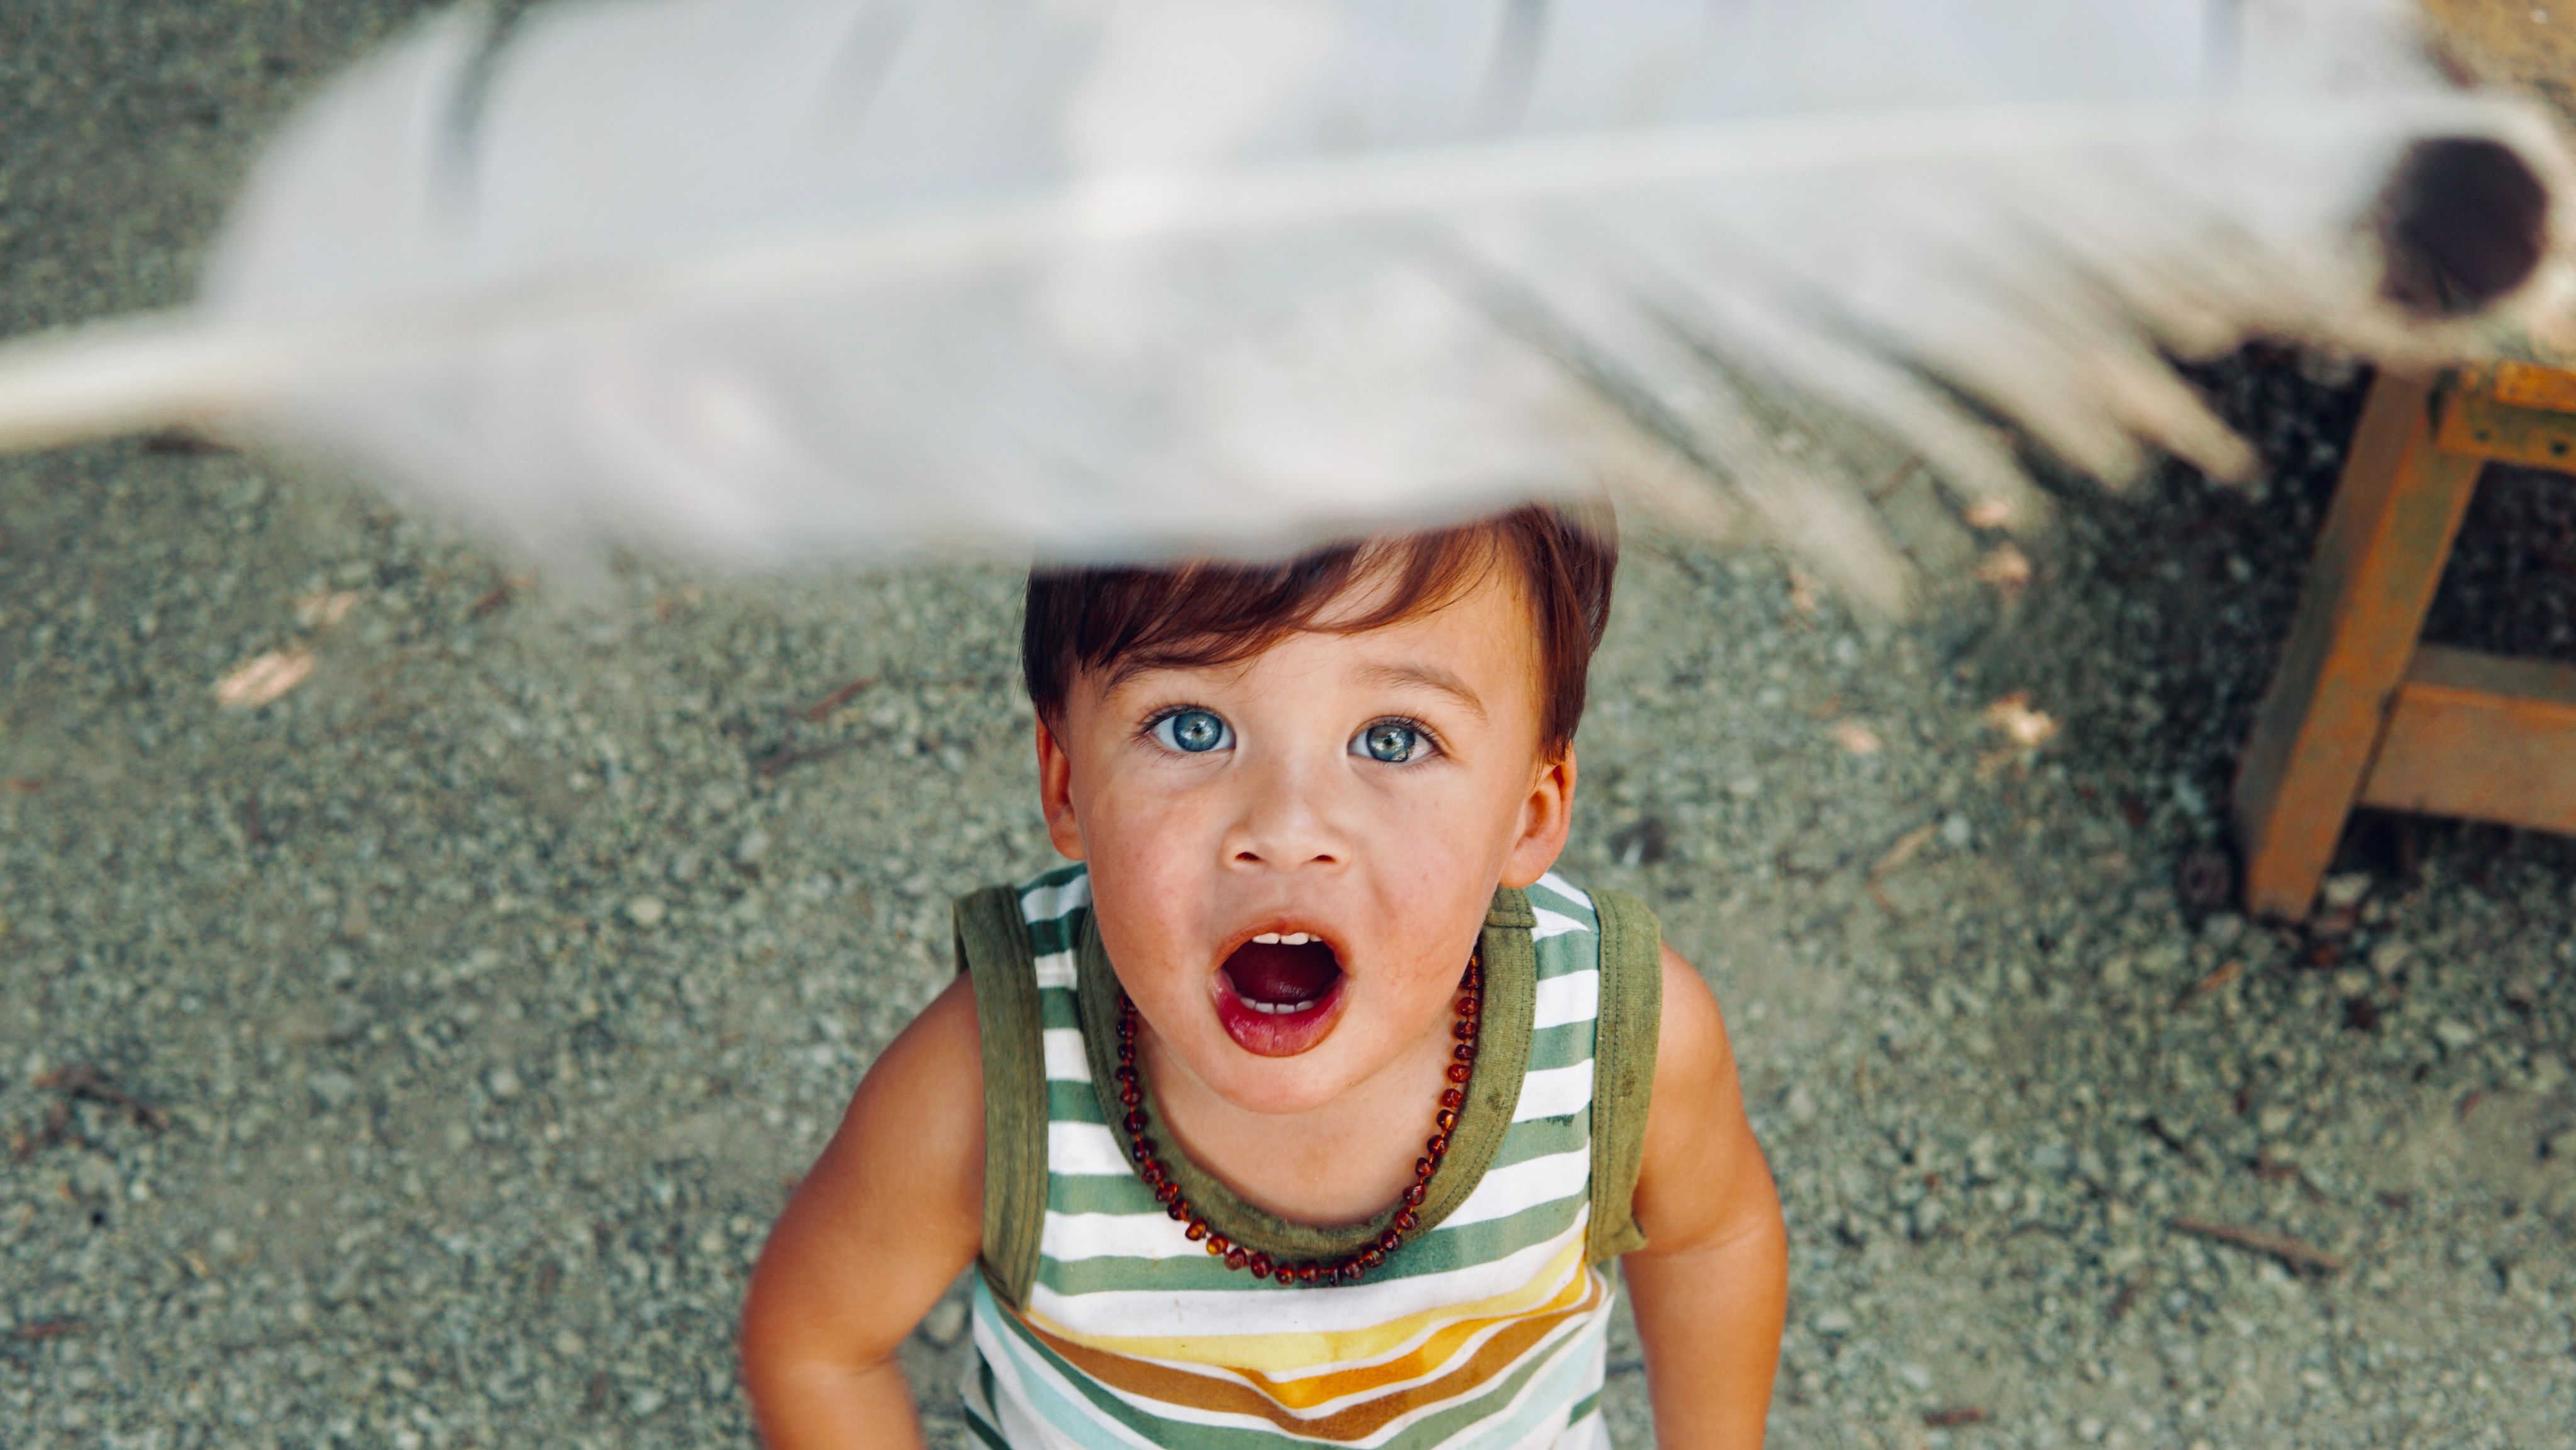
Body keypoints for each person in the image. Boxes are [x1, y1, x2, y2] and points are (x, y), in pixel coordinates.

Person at [740, 503, 1787, 1448]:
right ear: (1067, 783)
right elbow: (819, 1340)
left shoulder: (1612, 1040)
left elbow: (1712, 1236)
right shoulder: (989, 1082)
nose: (1287, 831)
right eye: (1194, 727)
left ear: (1531, 812)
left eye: (1392, 737)